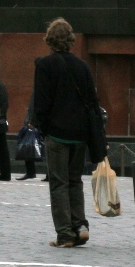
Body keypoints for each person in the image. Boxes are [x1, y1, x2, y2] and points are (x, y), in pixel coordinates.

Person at [32, 17, 100, 248]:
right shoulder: (83, 66)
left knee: (58, 184)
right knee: (75, 181)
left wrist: (40, 126)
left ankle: (65, 234)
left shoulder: (45, 65)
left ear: (49, 40)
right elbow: (92, 102)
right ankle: (80, 226)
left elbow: (41, 103)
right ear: (70, 40)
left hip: (57, 134)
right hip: (80, 135)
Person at [18, 92, 40, 181]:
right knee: (29, 145)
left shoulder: (39, 87)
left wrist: (30, 121)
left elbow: (33, 106)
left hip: (36, 122)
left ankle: (31, 172)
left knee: (29, 145)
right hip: (39, 121)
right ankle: (31, 172)